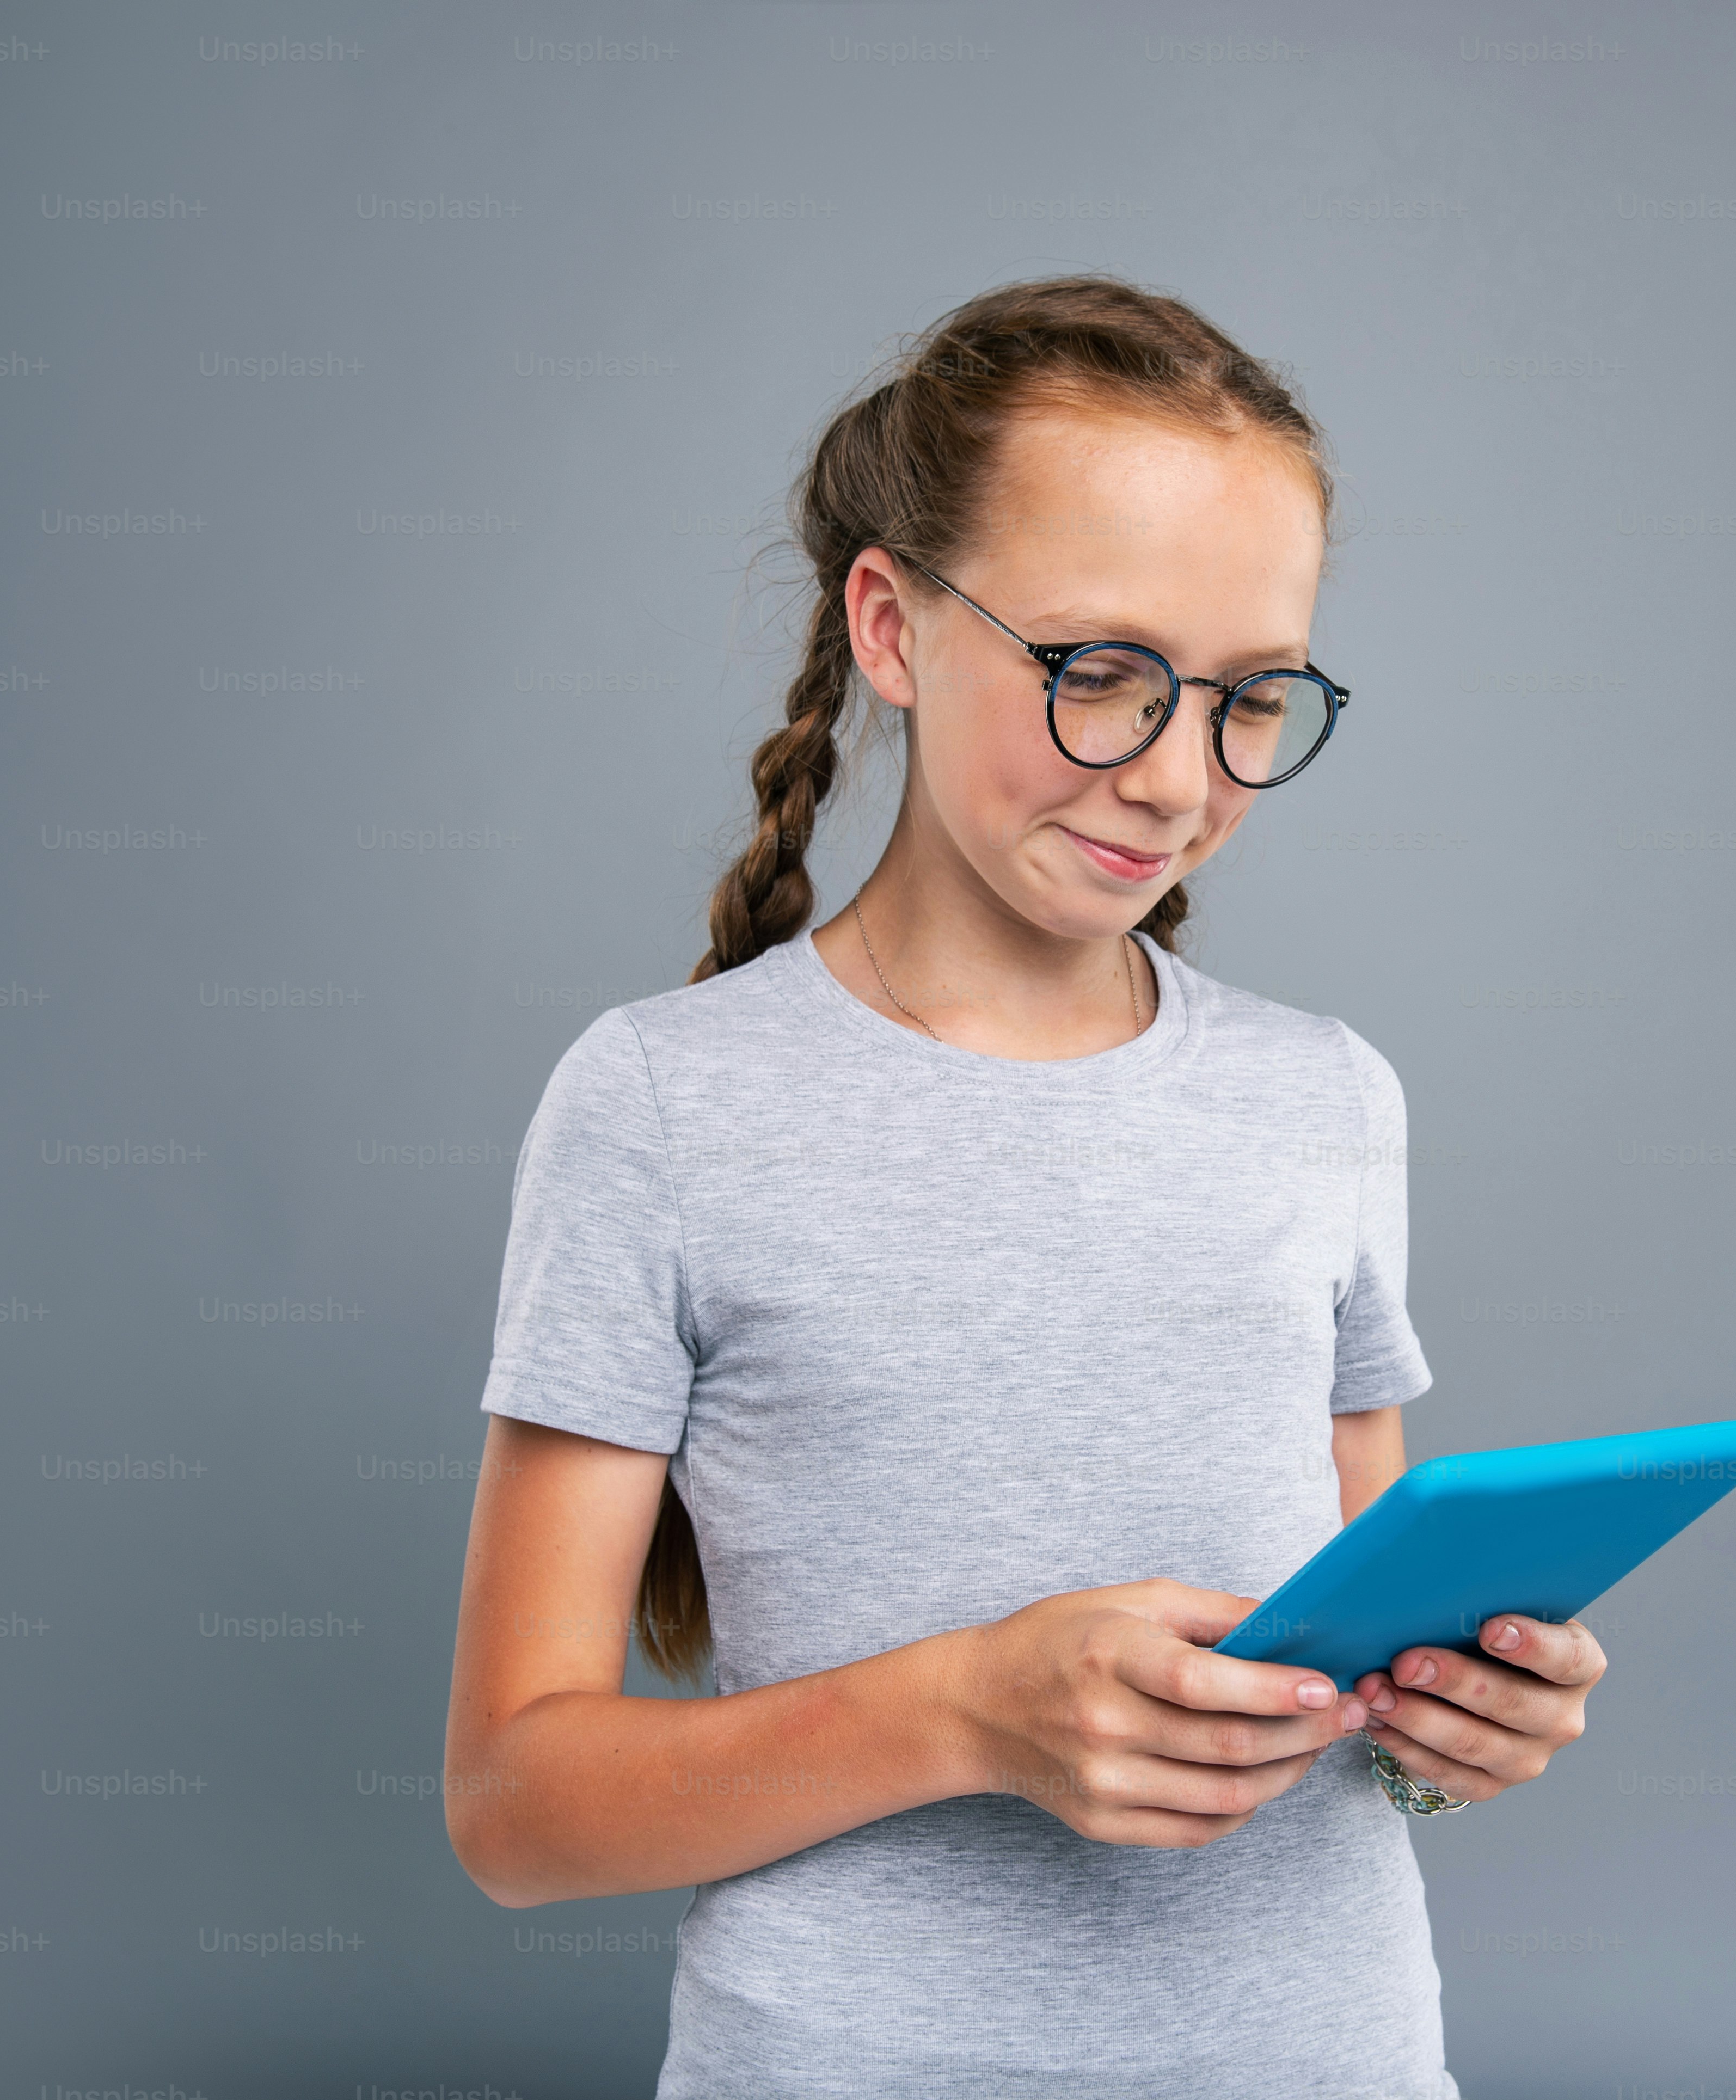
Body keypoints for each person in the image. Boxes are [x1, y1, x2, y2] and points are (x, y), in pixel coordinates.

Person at [442, 275, 1606, 2100]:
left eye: (1251, 700)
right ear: (892, 627)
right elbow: (516, 1807)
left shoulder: (1323, 1096)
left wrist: (1458, 1723)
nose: (1174, 776)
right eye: (1098, 673)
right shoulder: (663, 1107)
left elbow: (1368, 1676)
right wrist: (963, 1708)